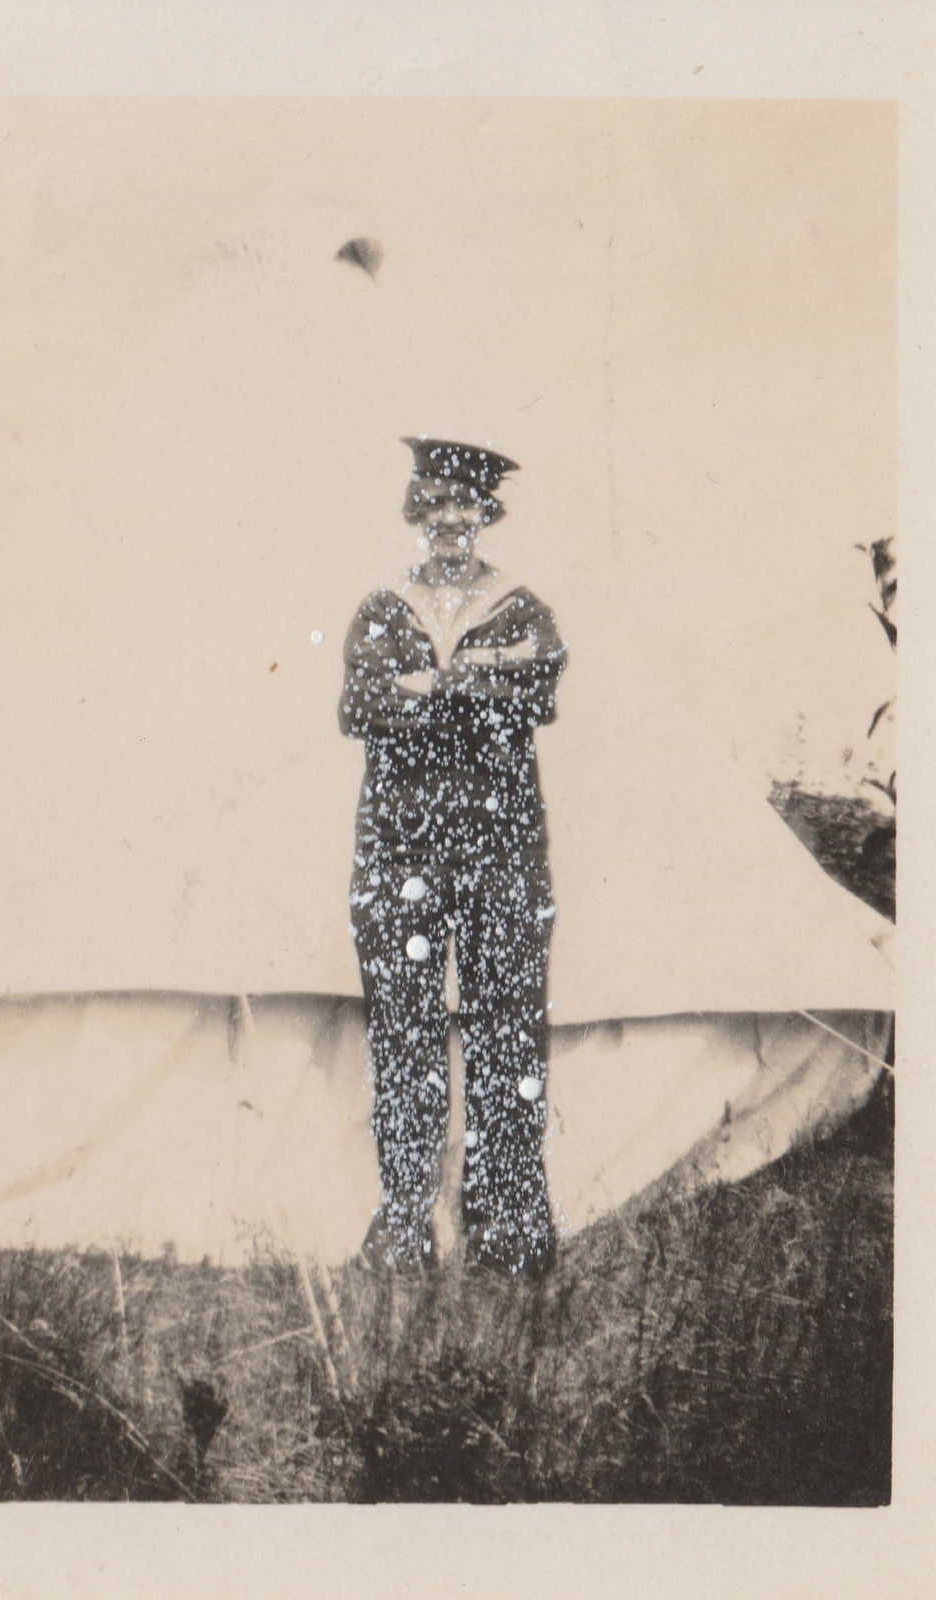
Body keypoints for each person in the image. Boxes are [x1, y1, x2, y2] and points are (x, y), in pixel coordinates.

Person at [338, 437, 567, 1276]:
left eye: (463, 507)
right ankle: (403, 1224)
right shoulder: (381, 608)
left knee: (508, 1028)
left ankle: (505, 1226)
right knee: (403, 1029)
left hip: (500, 848)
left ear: (485, 516)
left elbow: (535, 690)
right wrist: (469, 684)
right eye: (433, 505)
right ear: (415, 513)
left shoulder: (520, 609)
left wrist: (432, 686)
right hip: (399, 847)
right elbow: (358, 703)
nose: (448, 522)